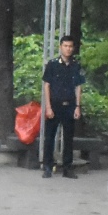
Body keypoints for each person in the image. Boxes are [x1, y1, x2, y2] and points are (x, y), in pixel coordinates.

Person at [41, 36, 85, 179]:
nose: (68, 49)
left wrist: (78, 106)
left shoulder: (76, 65)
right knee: (50, 137)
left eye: (70, 46)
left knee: (68, 138)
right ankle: (47, 166)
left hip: (70, 105)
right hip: (54, 104)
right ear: (60, 47)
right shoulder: (52, 64)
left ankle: (67, 167)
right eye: (65, 46)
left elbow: (78, 87)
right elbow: (47, 85)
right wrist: (48, 106)